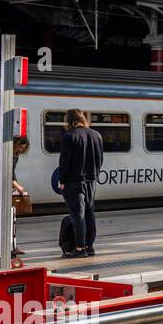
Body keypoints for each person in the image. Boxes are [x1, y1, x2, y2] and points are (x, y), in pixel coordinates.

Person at [59, 108, 103, 258]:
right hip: (91, 181)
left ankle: (79, 248)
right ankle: (90, 247)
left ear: (71, 121)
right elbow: (100, 160)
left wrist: (62, 180)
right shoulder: (96, 135)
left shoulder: (69, 137)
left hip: (73, 181)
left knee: (78, 215)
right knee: (90, 213)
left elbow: (64, 162)